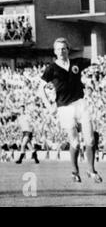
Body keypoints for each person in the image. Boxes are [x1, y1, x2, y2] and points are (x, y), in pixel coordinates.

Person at [39, 38, 102, 183]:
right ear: (54, 51)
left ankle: (91, 171)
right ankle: (75, 172)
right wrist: (49, 105)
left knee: (91, 140)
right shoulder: (51, 69)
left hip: (80, 104)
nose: (61, 51)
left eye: (64, 48)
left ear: (68, 49)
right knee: (75, 143)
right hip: (64, 108)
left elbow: (96, 60)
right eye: (58, 49)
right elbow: (40, 89)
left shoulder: (77, 63)